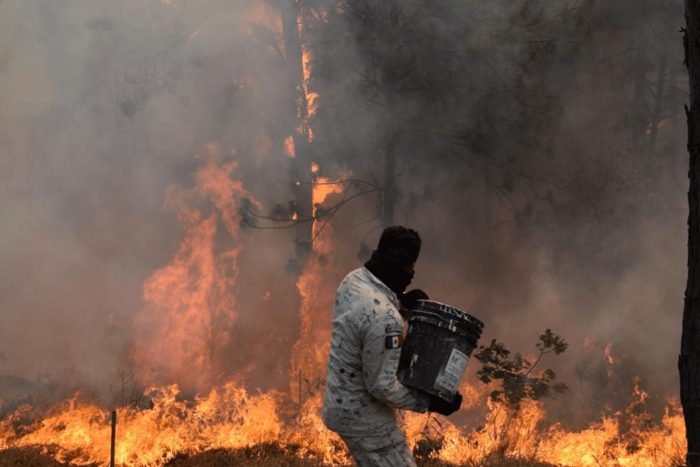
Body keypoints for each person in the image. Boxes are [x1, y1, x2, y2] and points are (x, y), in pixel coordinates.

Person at [322, 226, 462, 467]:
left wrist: (399, 303)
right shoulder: (386, 320)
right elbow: (382, 387)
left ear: (377, 251)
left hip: (338, 403)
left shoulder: (352, 280)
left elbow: (364, 324)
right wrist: (429, 402)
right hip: (365, 420)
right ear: (409, 268)